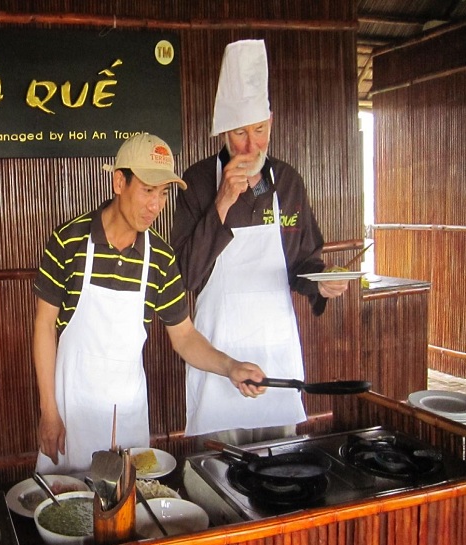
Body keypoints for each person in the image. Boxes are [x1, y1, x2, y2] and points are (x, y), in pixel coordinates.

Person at [33, 132, 267, 475]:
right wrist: (49, 412)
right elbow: (43, 327)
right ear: (119, 182)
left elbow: (184, 336)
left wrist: (231, 367)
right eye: (147, 190)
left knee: (129, 512)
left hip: (128, 419)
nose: (155, 205)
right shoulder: (69, 241)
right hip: (71, 416)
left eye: (162, 193)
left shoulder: (159, 257)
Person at [171, 40, 349, 446]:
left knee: (282, 465)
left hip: (275, 352)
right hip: (216, 353)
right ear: (221, 132)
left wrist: (321, 282)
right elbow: (183, 275)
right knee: (218, 471)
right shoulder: (197, 182)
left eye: (259, 131)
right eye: (239, 133)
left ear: (271, 122)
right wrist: (222, 203)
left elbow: (304, 261)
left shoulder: (287, 182)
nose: (250, 146)